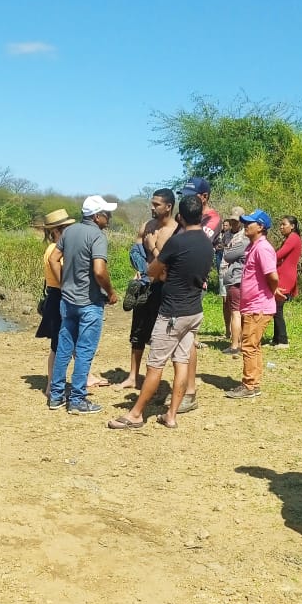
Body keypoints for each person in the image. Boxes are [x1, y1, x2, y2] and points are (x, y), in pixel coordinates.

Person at [107, 194, 213, 430]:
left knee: (155, 365)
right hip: (194, 311)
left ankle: (135, 414)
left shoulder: (177, 242)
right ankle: (171, 415)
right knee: (182, 362)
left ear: (180, 216)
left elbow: (153, 272)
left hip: (172, 312)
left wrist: (154, 251)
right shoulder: (208, 243)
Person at [47, 195, 119, 415]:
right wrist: (111, 292)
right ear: (96, 216)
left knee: (64, 348)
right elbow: (99, 270)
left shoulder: (69, 232)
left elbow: (53, 259)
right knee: (85, 351)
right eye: (106, 214)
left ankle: (56, 396)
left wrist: (64, 283)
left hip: (67, 301)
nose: (109, 217)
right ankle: (77, 399)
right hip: (89, 303)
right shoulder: (97, 236)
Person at [118, 189, 177, 390]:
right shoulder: (147, 226)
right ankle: (133, 376)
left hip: (164, 288)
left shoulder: (175, 231)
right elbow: (136, 252)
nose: (152, 207)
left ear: (168, 206)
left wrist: (153, 247)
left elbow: (168, 265)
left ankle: (154, 380)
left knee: (160, 335)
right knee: (138, 331)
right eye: (152, 203)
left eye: (156, 204)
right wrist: (140, 270)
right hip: (145, 285)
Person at [172, 177, 221, 414]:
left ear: (204, 196)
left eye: (191, 195)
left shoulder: (212, 219)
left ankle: (189, 392)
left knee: (187, 340)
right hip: (174, 285)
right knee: (177, 340)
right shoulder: (186, 218)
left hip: (192, 286)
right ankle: (182, 389)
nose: (186, 199)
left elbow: (188, 243)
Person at [225, 209, 278, 399]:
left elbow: (272, 276)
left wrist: (271, 291)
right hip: (253, 305)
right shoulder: (252, 247)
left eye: (250, 223)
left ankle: (249, 386)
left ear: (261, 227)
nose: (246, 225)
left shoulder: (263, 248)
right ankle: (253, 383)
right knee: (253, 346)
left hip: (259, 306)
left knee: (248, 346)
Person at [35, 208, 75, 397]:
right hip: (59, 296)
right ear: (57, 230)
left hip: (55, 296)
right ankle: (52, 385)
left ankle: (52, 384)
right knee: (58, 346)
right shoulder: (56, 250)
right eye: (66, 228)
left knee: (60, 344)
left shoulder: (53, 248)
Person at [219, 206, 247, 354]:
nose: (234, 223)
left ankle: (237, 342)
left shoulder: (245, 237)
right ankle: (229, 332)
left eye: (236, 221)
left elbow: (230, 255)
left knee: (237, 309)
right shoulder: (226, 235)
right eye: (232, 221)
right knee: (227, 304)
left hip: (236, 275)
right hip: (225, 272)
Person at [272, 216, 302, 348]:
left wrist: (266, 256)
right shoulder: (290, 238)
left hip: (285, 277)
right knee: (275, 308)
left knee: (277, 308)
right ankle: (276, 339)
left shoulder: (293, 238)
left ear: (293, 226)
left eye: (284, 224)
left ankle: (283, 341)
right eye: (280, 224)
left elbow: (279, 254)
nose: (281, 227)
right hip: (283, 274)